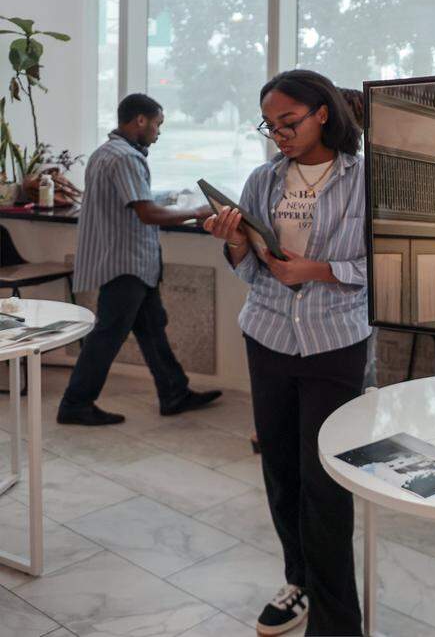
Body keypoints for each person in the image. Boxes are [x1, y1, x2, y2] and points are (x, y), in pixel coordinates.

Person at [205, 69, 367, 637]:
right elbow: (250, 269)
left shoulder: (365, 180)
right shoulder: (263, 179)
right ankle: (297, 581)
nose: (280, 135)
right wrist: (233, 239)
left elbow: (382, 269)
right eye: (270, 127)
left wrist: (317, 270)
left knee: (326, 481)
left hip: (335, 345)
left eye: (289, 122)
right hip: (269, 336)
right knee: (281, 472)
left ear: (322, 112)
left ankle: (338, 620)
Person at [58, 93, 222, 426]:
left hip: (124, 260)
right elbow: (146, 213)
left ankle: (174, 392)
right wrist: (197, 212)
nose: (159, 133)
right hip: (127, 263)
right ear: (140, 121)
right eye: (158, 124)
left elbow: (130, 202)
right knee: (108, 334)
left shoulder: (105, 153)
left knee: (152, 329)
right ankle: (75, 403)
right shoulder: (126, 158)